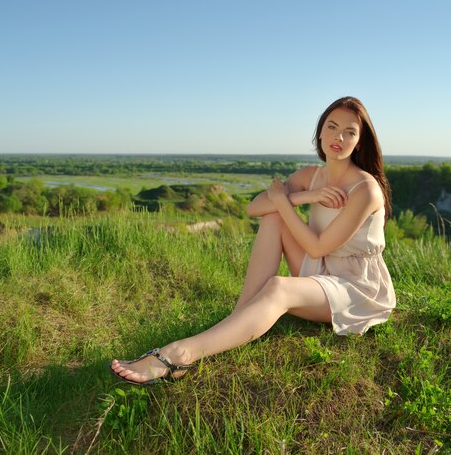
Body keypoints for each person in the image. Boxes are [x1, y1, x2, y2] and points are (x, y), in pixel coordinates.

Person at [111, 96, 396, 385]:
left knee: (278, 286)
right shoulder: (311, 176)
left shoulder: (366, 190)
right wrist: (304, 196)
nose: (339, 137)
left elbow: (317, 247)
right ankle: (239, 318)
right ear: (320, 132)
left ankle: (179, 355)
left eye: (350, 132)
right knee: (273, 216)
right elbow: (255, 208)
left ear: (359, 142)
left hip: (355, 286)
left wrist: (282, 200)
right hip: (321, 270)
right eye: (332, 127)